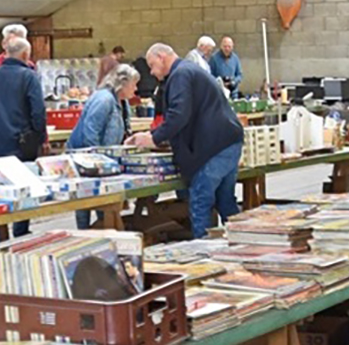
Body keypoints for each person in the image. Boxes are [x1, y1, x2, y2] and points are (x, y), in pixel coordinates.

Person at [129, 43, 243, 238]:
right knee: (225, 203)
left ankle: (204, 253)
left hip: (214, 148)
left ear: (162, 56)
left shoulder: (180, 75)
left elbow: (178, 115)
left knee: (200, 201)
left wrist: (153, 139)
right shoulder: (188, 71)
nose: (151, 71)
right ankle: (245, 243)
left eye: (152, 64)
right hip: (228, 141)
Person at [0, 37, 45, 239]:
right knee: (23, 193)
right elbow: (38, 112)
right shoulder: (29, 77)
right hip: (23, 145)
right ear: (25, 55)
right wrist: (38, 138)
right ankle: (21, 234)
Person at [67, 64, 139, 228]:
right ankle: (86, 232)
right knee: (86, 199)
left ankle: (103, 227)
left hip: (105, 157)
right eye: (134, 84)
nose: (136, 88)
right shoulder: (104, 99)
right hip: (86, 157)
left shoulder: (121, 101)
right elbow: (90, 131)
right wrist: (98, 162)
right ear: (123, 83)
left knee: (104, 199)